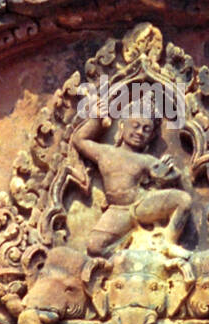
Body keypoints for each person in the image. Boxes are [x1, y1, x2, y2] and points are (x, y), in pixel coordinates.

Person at [71, 104, 192, 256]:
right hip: (117, 211)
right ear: (122, 125)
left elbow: (167, 175)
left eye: (146, 129)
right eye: (135, 126)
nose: (139, 132)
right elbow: (79, 140)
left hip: (140, 205)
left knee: (183, 200)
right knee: (94, 246)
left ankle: (168, 242)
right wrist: (96, 119)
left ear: (152, 136)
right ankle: (128, 251)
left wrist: (170, 170)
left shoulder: (145, 160)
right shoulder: (105, 153)